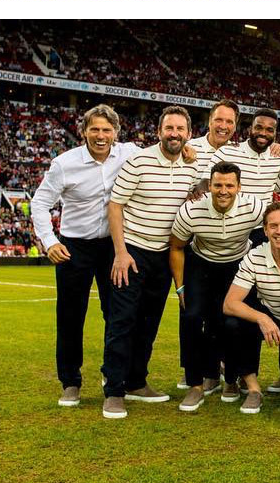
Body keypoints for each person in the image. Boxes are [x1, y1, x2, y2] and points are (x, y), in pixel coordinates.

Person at [31, 104, 136, 407]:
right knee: (70, 316)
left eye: (106, 129)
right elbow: (40, 204)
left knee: (116, 314)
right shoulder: (64, 163)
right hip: (73, 247)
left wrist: (189, 154)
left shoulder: (129, 153)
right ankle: (70, 382)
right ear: (84, 131)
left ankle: (112, 374)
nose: (100, 135)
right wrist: (49, 242)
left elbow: (164, 150)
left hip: (114, 246)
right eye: (95, 129)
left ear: (116, 132)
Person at [102, 105, 200, 418]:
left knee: (148, 322)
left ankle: (136, 382)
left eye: (180, 130)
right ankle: (114, 390)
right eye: (169, 128)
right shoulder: (139, 161)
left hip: (164, 255)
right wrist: (120, 252)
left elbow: (203, 185)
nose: (174, 134)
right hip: (132, 251)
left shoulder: (191, 165)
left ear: (188, 134)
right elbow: (115, 206)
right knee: (122, 320)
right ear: (159, 131)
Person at [169, 162, 266, 411]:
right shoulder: (191, 211)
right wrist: (180, 287)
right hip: (201, 264)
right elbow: (177, 247)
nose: (223, 191)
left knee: (235, 322)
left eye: (229, 185)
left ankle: (232, 379)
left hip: (237, 265)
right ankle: (195, 385)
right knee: (191, 317)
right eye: (218, 185)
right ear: (209, 186)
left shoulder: (254, 207)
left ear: (239, 187)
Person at [222, 201, 280, 414]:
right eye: (273, 226)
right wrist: (262, 318)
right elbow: (230, 303)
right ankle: (253, 388)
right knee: (234, 322)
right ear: (265, 230)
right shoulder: (255, 256)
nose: (279, 231)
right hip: (271, 315)